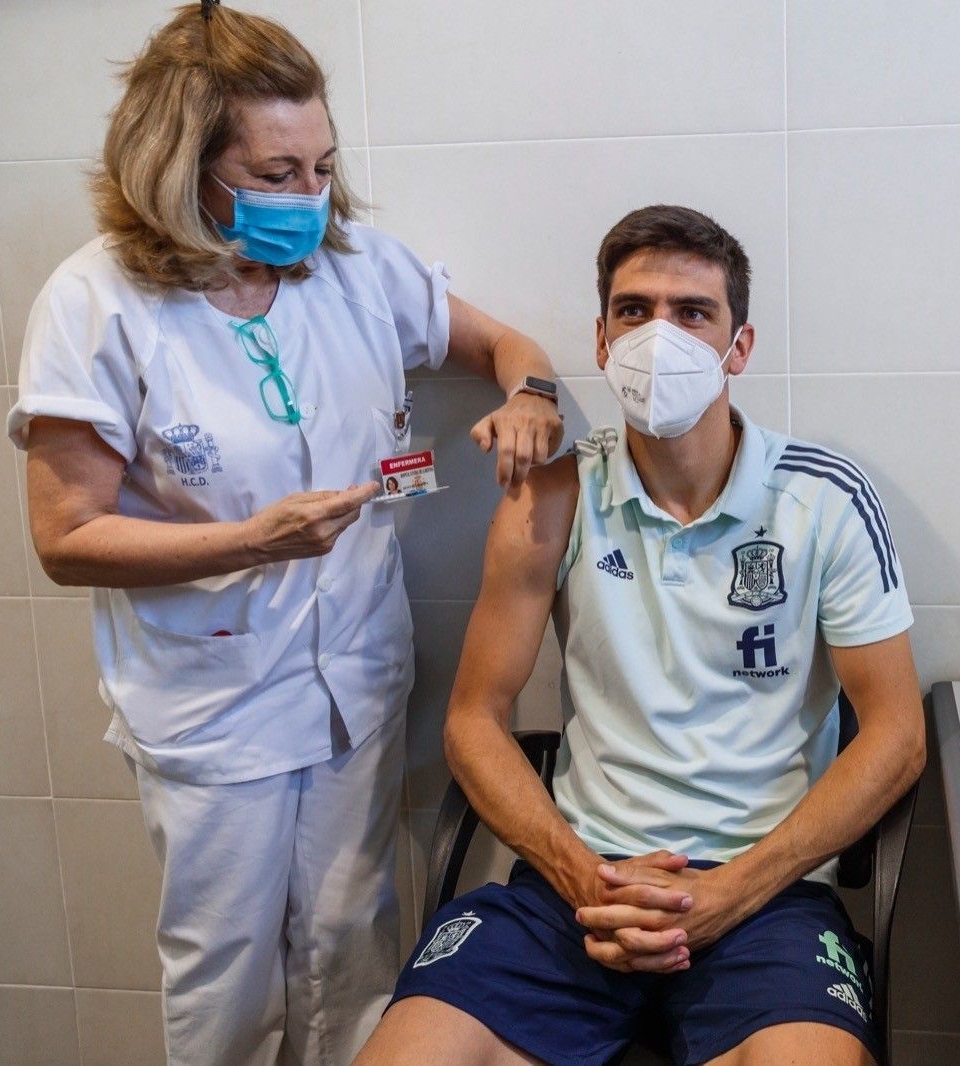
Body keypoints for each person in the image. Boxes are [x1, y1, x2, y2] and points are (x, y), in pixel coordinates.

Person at [5, 4, 563, 1064]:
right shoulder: (96, 304)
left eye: (321, 165)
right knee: (229, 980)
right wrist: (250, 541)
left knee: (354, 950)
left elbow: (503, 345)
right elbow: (66, 537)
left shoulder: (356, 269)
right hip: (214, 702)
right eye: (275, 173)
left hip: (354, 678)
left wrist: (529, 389)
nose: (309, 197)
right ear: (181, 169)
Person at [355, 205, 926, 1066]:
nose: (660, 335)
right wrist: (586, 878)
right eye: (635, 310)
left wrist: (730, 895)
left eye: (693, 313)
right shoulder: (553, 496)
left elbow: (896, 736)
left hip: (765, 894)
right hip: (575, 885)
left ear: (739, 347)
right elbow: (474, 718)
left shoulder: (824, 500)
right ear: (600, 338)